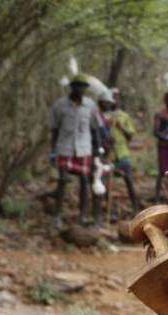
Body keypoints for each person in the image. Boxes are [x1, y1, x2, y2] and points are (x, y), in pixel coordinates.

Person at [49, 73, 102, 227]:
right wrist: (53, 151)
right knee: (63, 180)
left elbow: (95, 128)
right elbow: (54, 130)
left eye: (83, 86)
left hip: (84, 149)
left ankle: (82, 216)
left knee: (85, 182)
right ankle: (57, 216)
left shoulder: (90, 106)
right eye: (77, 86)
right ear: (72, 87)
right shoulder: (60, 105)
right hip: (64, 148)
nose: (80, 89)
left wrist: (98, 148)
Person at [98, 89, 140, 218]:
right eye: (112, 98)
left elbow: (130, 136)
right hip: (108, 155)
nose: (114, 100)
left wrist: (122, 127)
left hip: (123, 154)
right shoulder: (103, 116)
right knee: (104, 182)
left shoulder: (124, 116)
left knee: (129, 180)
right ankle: (108, 210)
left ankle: (136, 208)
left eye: (117, 98)